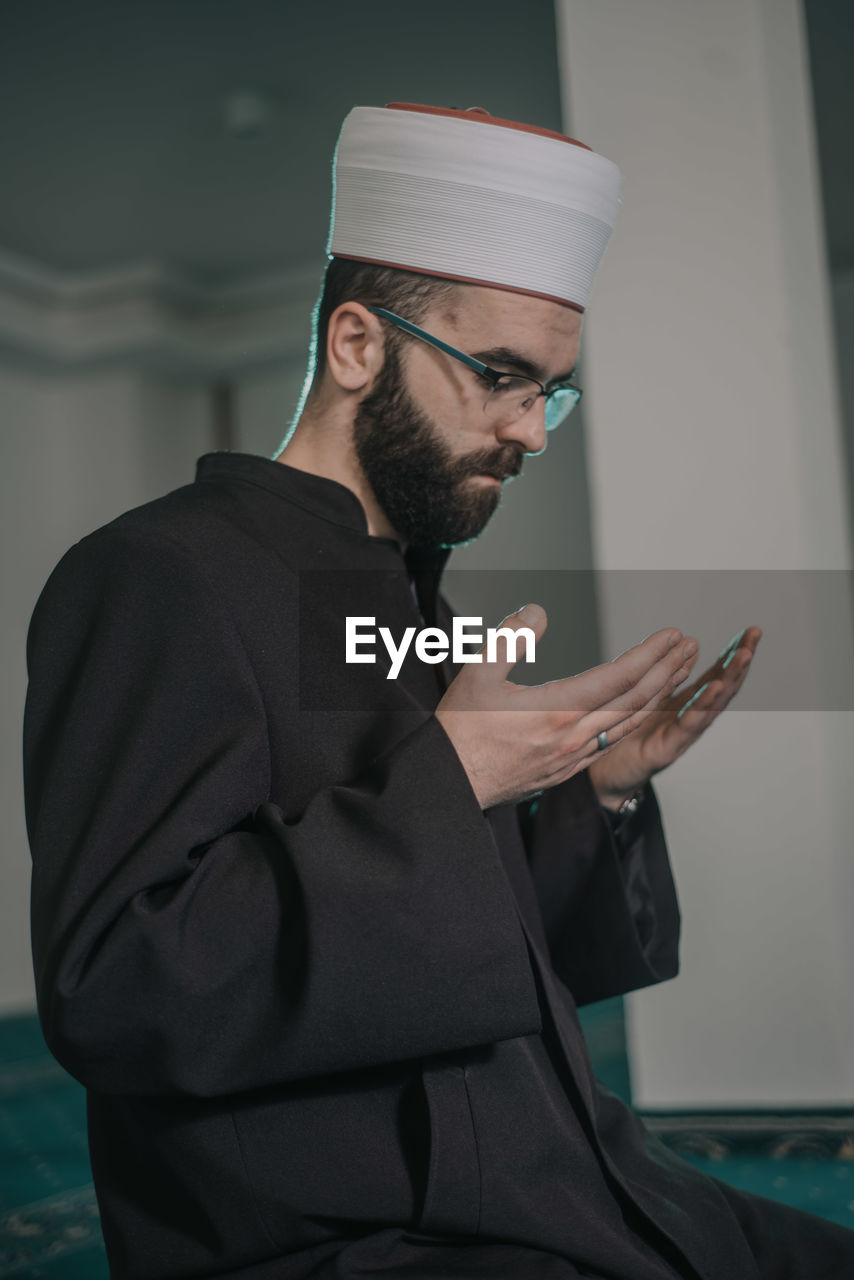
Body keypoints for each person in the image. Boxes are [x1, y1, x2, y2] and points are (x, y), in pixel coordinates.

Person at [22, 102, 852, 1280]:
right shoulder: (160, 573)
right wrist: (451, 775)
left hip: (546, 1166)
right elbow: (116, 986)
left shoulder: (408, 599)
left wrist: (594, 793)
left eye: (551, 392)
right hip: (343, 1227)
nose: (531, 430)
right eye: (502, 376)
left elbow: (477, 940)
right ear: (357, 344)